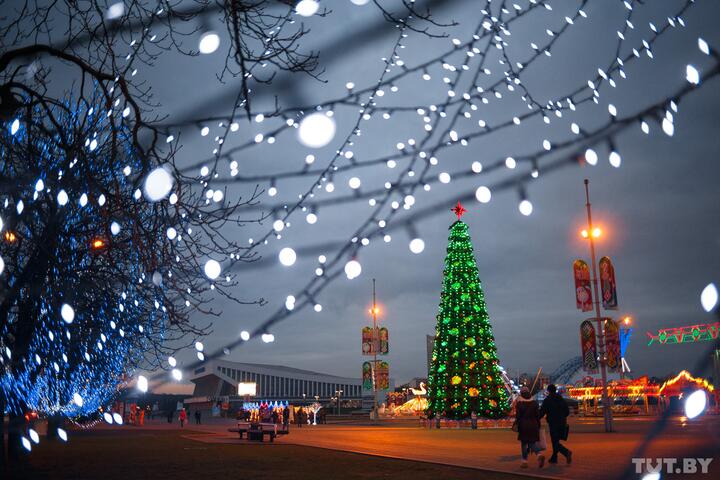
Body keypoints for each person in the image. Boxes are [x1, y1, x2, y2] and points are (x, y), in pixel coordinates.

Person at [540, 384, 572, 464]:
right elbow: (567, 412)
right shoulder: (561, 399)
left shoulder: (547, 400)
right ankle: (554, 458)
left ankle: (566, 452)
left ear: (548, 391)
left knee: (555, 441)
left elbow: (542, 412)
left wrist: (536, 418)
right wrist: (562, 417)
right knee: (556, 441)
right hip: (562, 423)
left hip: (553, 423)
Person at [515, 386, 545, 469]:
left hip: (524, 425)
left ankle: (524, 462)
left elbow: (518, 416)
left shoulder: (519, 403)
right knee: (532, 442)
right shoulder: (534, 403)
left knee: (524, 444)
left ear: (521, 393)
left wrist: (517, 424)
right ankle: (539, 455)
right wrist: (538, 425)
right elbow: (537, 416)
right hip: (534, 425)